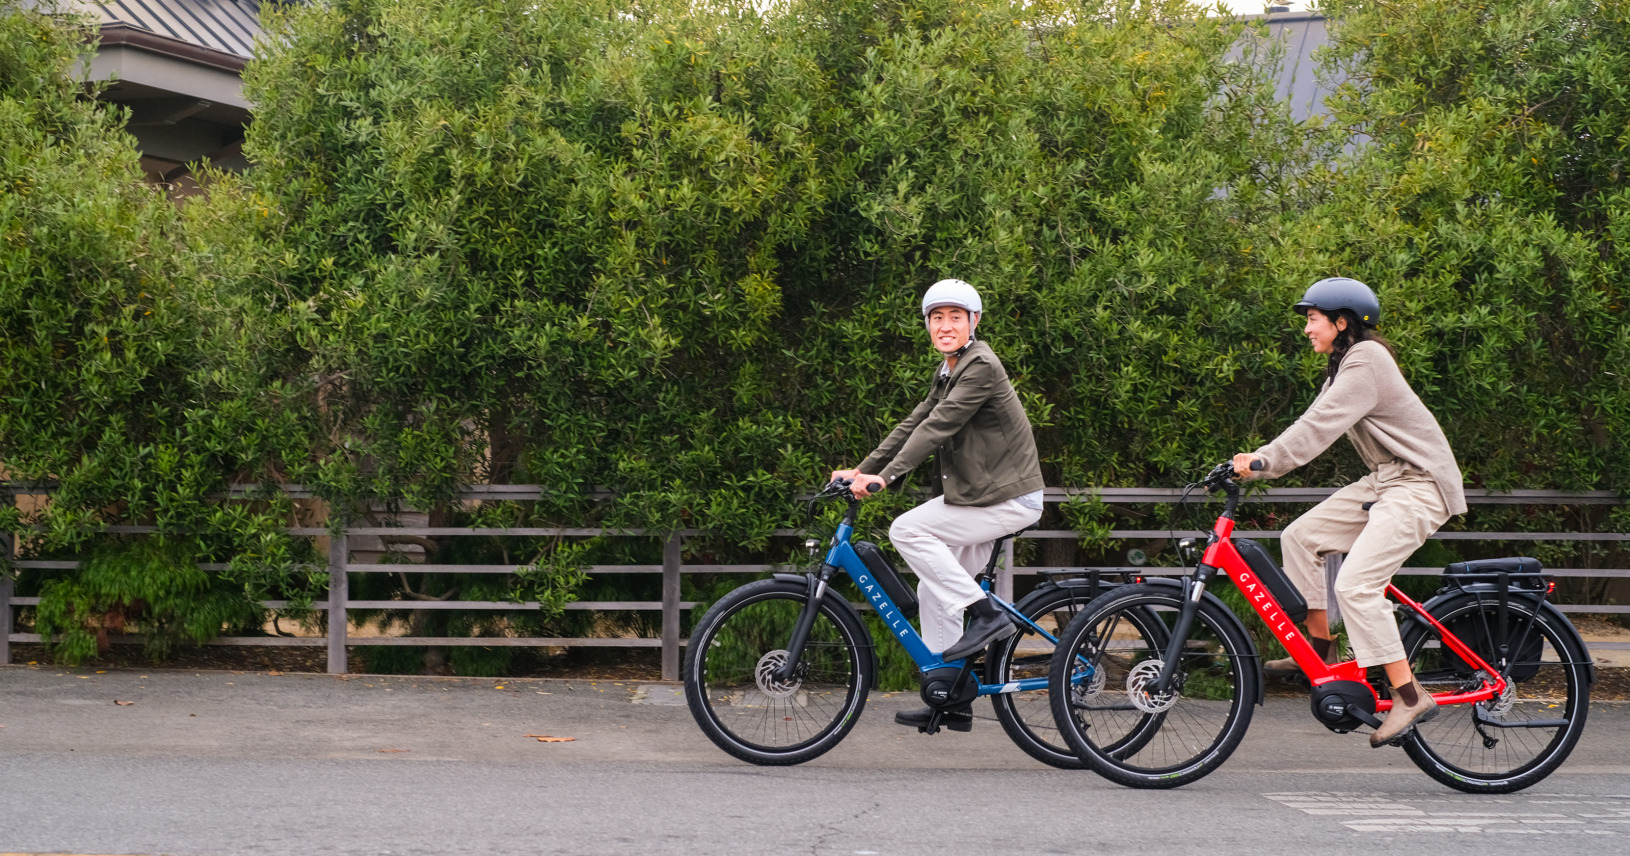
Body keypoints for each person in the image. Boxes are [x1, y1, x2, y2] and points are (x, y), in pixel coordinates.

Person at [1232, 277, 1467, 746]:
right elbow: (1315, 420)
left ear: (1342, 323)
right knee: (1299, 537)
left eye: (1312, 319)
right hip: (1387, 482)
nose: (1306, 330)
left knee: (1357, 586)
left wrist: (1263, 462)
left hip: (1419, 485)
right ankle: (1319, 651)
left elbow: (1318, 426)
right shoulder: (1343, 367)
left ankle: (1409, 694)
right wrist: (1257, 457)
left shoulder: (1367, 360)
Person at [830, 278, 1045, 732]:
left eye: (955, 317)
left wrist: (885, 478)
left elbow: (939, 427)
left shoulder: (981, 364)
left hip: (1009, 498)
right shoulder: (950, 368)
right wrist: (862, 468)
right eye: (937, 318)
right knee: (934, 590)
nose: (945, 326)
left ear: (974, 322)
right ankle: (952, 696)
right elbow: (916, 420)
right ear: (928, 325)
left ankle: (988, 616)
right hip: (981, 498)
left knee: (907, 530)